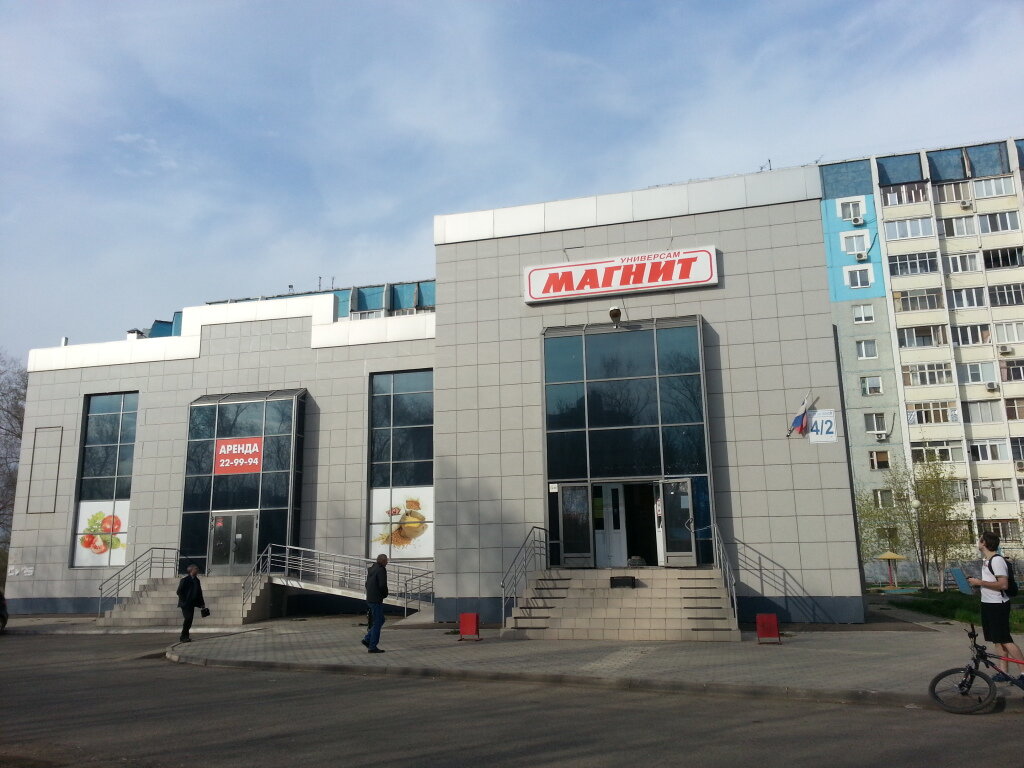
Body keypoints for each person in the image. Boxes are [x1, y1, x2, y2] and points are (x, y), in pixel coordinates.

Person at [967, 531, 1024, 683]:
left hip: (998, 605)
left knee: (1005, 639)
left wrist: (979, 582)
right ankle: (1003, 672)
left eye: (980, 539)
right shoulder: (987, 560)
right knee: (997, 640)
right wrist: (978, 585)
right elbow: (992, 582)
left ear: (984, 543)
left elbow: (1003, 584)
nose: (978, 542)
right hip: (988, 604)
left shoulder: (997, 560)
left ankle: (1023, 673)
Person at [361, 553, 389, 654]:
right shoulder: (381, 570)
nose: (387, 562)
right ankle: (372, 646)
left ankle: (367, 639)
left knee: (381, 620)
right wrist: (385, 594)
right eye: (386, 560)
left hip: (370, 598)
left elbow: (366, 584)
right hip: (376, 599)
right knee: (378, 622)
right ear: (383, 561)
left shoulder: (372, 569)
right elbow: (382, 585)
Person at [176, 563, 206, 643]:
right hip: (185, 604)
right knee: (188, 618)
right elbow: (179, 592)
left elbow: (199, 593)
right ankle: (183, 636)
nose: (197, 570)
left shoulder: (197, 580)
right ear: (191, 570)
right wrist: (184, 600)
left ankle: (186, 636)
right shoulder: (184, 580)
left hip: (192, 604)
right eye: (196, 569)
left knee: (190, 620)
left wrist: (202, 604)